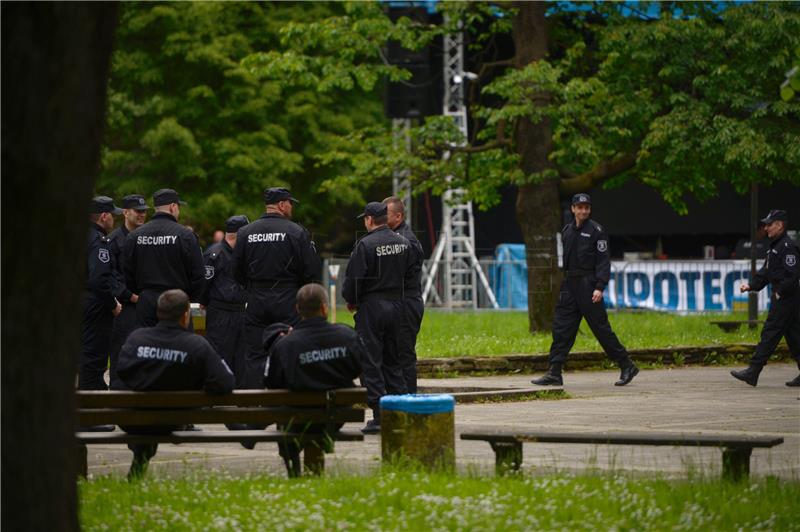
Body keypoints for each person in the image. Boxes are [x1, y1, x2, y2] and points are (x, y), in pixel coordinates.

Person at [114, 289, 235, 479]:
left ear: (158, 312)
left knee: (148, 411)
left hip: (134, 420)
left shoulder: (136, 338)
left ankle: (139, 466)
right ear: (186, 315)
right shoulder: (196, 345)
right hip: (174, 420)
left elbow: (121, 371)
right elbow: (225, 382)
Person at [532, 193, 639, 387]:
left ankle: (627, 365)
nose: (583, 211)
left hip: (588, 286)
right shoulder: (567, 231)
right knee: (561, 329)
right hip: (570, 286)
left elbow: (603, 261)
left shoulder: (597, 231)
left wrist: (599, 286)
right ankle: (554, 372)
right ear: (573, 209)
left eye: (586, 207)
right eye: (580, 207)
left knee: (601, 330)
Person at [264, 283, 364, 475]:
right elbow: (359, 368)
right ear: (324, 308)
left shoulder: (285, 344)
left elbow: (271, 382)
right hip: (334, 416)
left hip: (296, 417)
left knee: (286, 415)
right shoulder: (347, 336)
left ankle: (294, 470)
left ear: (297, 309)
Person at [232, 187, 321, 388]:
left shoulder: (246, 232)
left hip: (256, 298)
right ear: (282, 205)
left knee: (255, 354)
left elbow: (235, 271)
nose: (291, 207)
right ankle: (287, 400)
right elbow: (311, 270)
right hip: (288, 299)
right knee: (292, 349)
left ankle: (256, 404)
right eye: (290, 203)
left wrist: (253, 287)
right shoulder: (297, 232)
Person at [343, 201, 413, 434]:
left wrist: (351, 300)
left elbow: (354, 280)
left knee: (371, 361)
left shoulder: (365, 245)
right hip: (397, 305)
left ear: (370, 220)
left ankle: (379, 416)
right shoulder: (403, 242)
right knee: (394, 360)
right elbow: (411, 271)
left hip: (372, 307)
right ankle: (401, 412)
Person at [731, 209, 800, 387]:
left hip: (787, 298)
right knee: (794, 337)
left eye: (769, 224)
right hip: (787, 299)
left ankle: (753, 371)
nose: (766, 228)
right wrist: (751, 286)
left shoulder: (787, 247)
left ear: (780, 225)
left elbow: (792, 276)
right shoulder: (775, 247)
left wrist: (779, 293)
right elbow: (766, 272)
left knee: (770, 333)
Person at [122, 188, 205, 329]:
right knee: (177, 344)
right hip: (177, 299)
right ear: (173, 207)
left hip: (146, 300)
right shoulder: (185, 235)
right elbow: (198, 275)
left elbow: (127, 272)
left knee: (147, 343)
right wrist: (190, 299)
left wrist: (143, 292)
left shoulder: (135, 236)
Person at [200, 215, 250, 388]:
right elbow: (204, 285)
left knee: (242, 357)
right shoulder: (214, 254)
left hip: (240, 312)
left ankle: (242, 399)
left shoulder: (244, 254)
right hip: (220, 314)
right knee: (221, 355)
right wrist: (205, 302)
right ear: (240, 234)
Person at [81, 196, 123, 395]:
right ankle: (91, 414)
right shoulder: (99, 241)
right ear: (104, 216)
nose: (113, 220)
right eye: (112, 216)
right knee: (94, 356)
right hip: (95, 304)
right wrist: (112, 303)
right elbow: (99, 279)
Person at [107, 194, 149, 389]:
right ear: (125, 212)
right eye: (138, 211)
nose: (142, 215)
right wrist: (130, 296)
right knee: (121, 355)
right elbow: (110, 276)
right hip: (125, 307)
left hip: (145, 306)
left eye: (144, 211)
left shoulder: (147, 237)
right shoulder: (114, 240)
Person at [383, 195, 424, 393]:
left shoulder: (406, 241)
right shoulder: (395, 238)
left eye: (386, 214)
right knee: (394, 355)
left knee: (404, 356)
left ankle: (409, 404)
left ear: (398, 217)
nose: (381, 219)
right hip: (399, 302)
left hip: (406, 303)